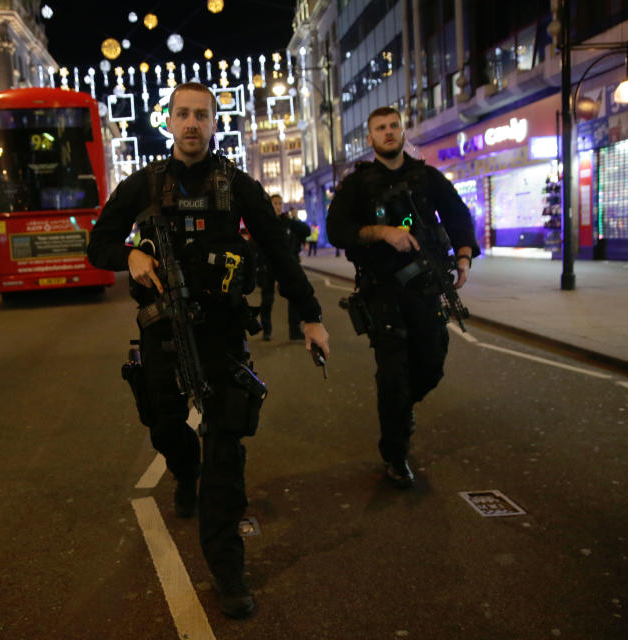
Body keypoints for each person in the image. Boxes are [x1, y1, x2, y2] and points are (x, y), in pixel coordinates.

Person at [88, 82, 330, 619]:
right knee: (165, 427)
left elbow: (278, 252)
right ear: (168, 121)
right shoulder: (143, 185)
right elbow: (97, 244)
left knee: (226, 448)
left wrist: (311, 315)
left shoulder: (235, 185)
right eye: (183, 114)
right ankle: (183, 470)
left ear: (214, 123)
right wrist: (128, 255)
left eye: (202, 114)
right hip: (162, 330)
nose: (192, 123)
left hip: (221, 334)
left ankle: (227, 568)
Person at [326, 106, 479, 489]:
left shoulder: (426, 177)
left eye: (394, 126)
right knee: (393, 378)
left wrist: (463, 256)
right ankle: (395, 454)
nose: (389, 132)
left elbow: (459, 216)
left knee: (431, 365)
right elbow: (337, 229)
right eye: (381, 128)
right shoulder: (357, 185)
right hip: (383, 292)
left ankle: (403, 409)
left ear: (402, 130)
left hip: (426, 290)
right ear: (370, 138)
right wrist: (382, 232)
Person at [273, 195, 311, 339]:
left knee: (295, 295)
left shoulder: (287, 221)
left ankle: (294, 328)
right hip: (275, 264)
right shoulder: (268, 222)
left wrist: (294, 219)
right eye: (275, 203)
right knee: (268, 299)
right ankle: (266, 330)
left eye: (279, 203)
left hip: (291, 263)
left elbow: (305, 231)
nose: (278, 206)